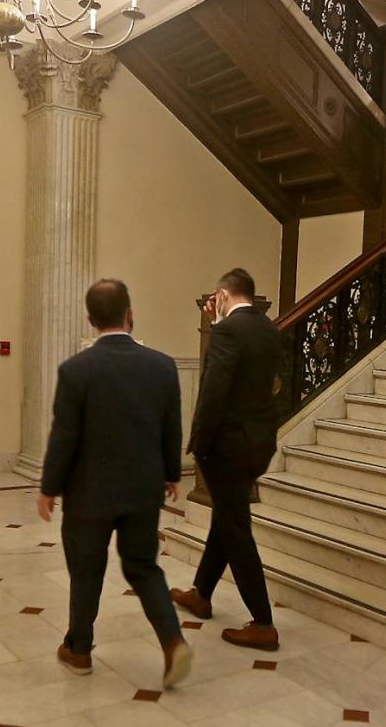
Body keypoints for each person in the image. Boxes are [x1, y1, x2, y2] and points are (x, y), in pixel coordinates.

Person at [38, 279, 192, 689]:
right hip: (143, 488)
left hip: (88, 492)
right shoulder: (162, 366)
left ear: (90, 319)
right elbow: (171, 426)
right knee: (143, 566)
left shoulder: (76, 370)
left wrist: (49, 486)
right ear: (130, 313)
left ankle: (80, 649)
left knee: (86, 569)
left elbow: (64, 435)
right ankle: (173, 640)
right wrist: (171, 474)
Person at [171, 268, 281, 651]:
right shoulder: (269, 329)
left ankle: (263, 623)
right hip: (259, 444)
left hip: (229, 446)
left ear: (221, 294)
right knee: (227, 516)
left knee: (235, 527)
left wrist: (198, 443)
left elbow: (213, 390)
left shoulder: (227, 332)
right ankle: (201, 593)